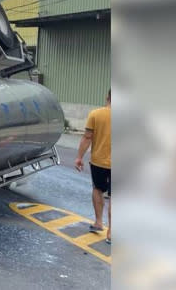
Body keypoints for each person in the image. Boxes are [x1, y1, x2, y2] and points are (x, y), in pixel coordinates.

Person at [74, 89, 111, 243]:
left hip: (99, 161)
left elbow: (87, 137)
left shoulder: (95, 114)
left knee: (97, 189)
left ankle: (98, 223)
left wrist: (79, 157)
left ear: (107, 97)